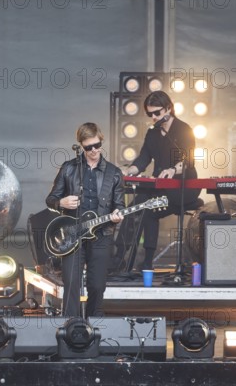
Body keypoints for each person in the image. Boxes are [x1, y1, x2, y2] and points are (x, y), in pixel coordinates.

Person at [46, 122, 125, 318]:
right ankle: (71, 326)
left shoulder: (113, 173)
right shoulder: (68, 168)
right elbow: (50, 200)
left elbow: (120, 205)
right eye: (89, 147)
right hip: (73, 235)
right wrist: (61, 202)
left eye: (97, 145)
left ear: (101, 141)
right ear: (81, 145)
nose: (94, 151)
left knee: (97, 286)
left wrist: (117, 216)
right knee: (71, 283)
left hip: (101, 234)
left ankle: (93, 326)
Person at [120, 90, 200, 270]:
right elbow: (143, 158)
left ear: (168, 109)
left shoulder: (184, 129)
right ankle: (119, 257)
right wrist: (129, 170)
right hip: (160, 187)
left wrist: (172, 170)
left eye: (157, 113)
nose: (153, 117)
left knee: (148, 211)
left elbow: (188, 160)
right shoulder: (152, 133)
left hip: (183, 187)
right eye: (150, 114)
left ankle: (147, 261)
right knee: (133, 208)